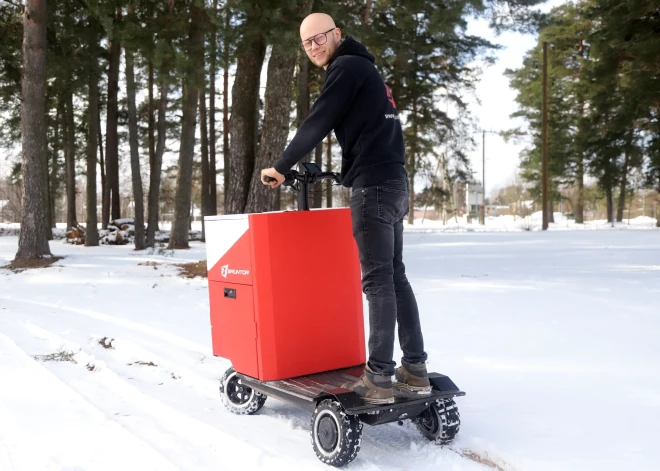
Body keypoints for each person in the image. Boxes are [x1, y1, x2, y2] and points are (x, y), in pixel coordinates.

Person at [261, 13, 430, 404]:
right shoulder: (367, 71)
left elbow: (317, 122)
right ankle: (415, 369)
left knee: (378, 283)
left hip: (374, 189)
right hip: (394, 183)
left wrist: (282, 166)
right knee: (395, 277)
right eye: (306, 43)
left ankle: (379, 379)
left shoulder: (346, 68)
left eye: (319, 37)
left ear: (336, 34)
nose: (314, 46)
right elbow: (371, 132)